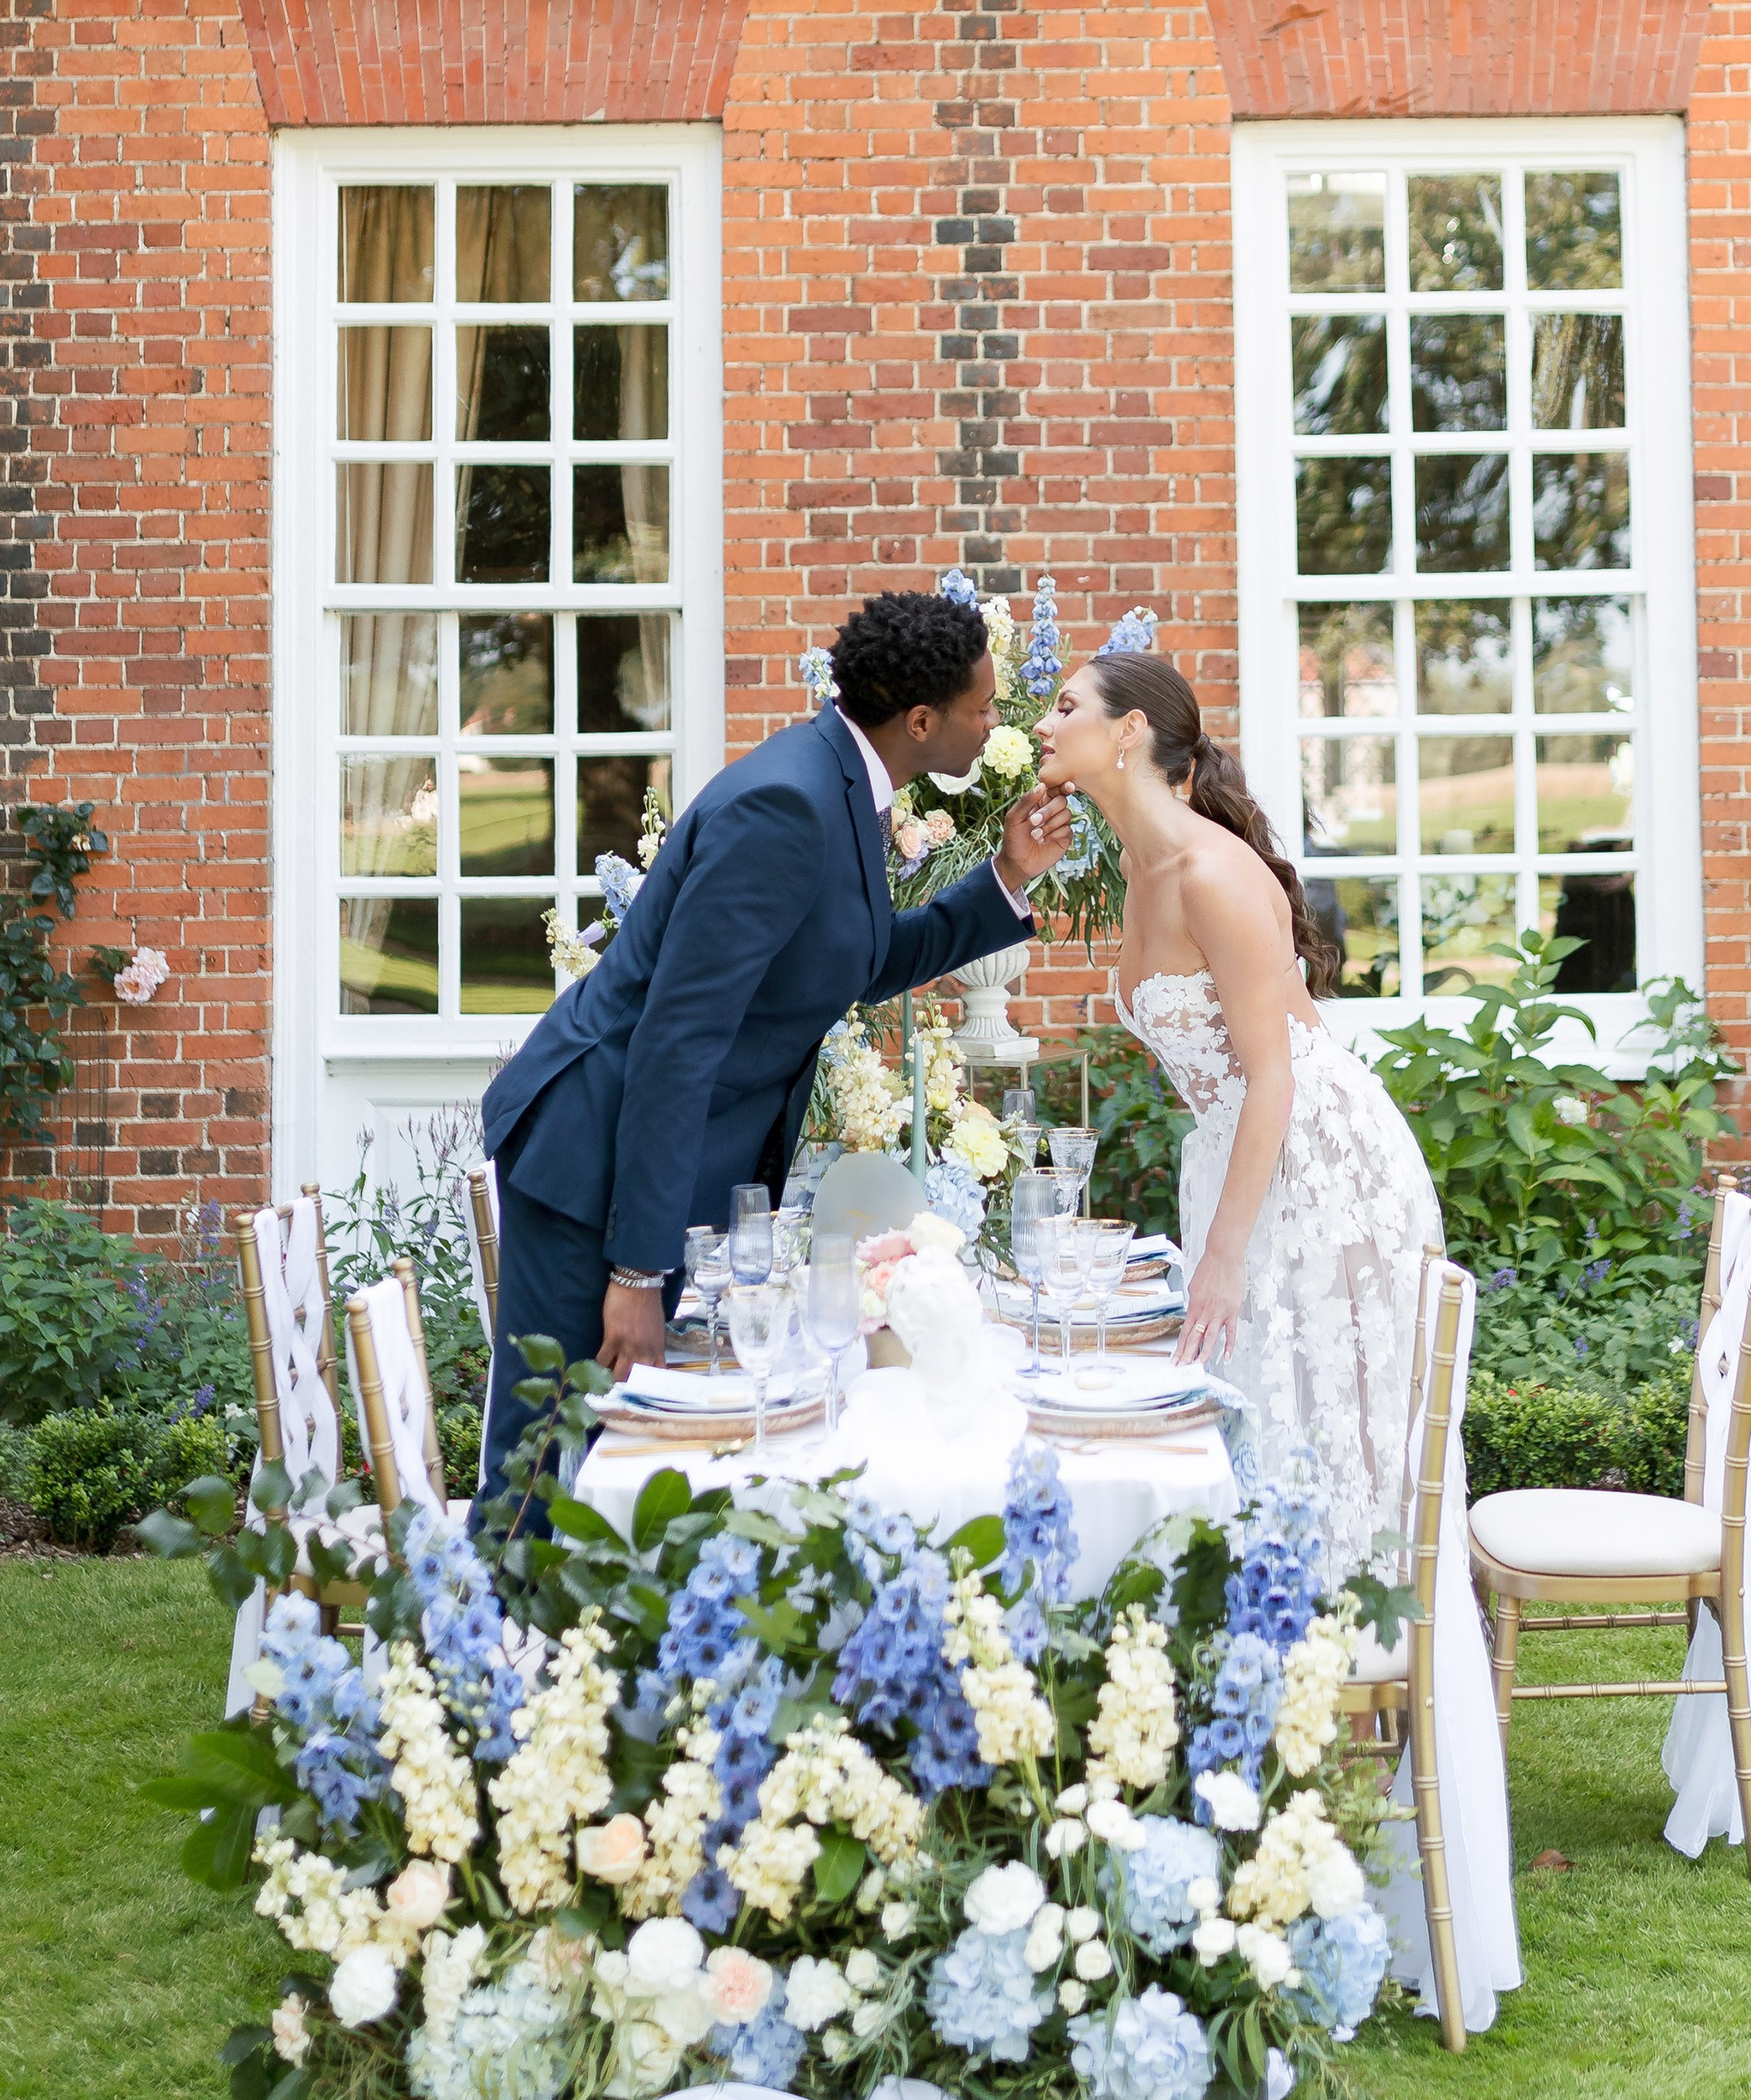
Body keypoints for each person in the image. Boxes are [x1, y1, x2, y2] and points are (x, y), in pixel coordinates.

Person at [477, 589, 1073, 1500]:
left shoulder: (846, 784)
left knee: (622, 1465)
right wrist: (635, 1271)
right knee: (553, 1472)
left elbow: (859, 962)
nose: (999, 724)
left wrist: (1006, 877)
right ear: (921, 721)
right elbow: (679, 1041)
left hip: (641, 1161)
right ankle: (498, 1638)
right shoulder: (786, 807)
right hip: (588, 1163)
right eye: (984, 710)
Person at [1034, 651, 1442, 1560]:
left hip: (1315, 1160)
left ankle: (1362, 1661)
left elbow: (1273, 1075)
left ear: (1128, 732)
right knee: (1262, 1409)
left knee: (1325, 1423)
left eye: (1066, 708)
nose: (1042, 726)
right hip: (1237, 1151)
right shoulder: (1142, 865)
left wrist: (1219, 1257)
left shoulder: (1207, 873)